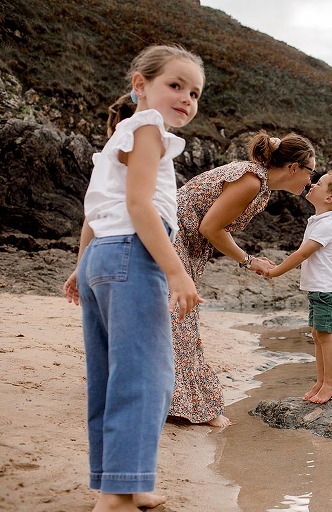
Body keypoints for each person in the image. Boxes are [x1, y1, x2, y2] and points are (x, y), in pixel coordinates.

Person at [63, 45, 205, 512]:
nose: (187, 97)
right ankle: (116, 496)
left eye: (195, 93)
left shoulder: (119, 137)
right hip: (132, 256)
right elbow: (140, 206)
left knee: (111, 375)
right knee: (146, 376)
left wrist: (80, 265)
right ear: (140, 85)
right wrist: (177, 271)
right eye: (176, 85)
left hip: (103, 256)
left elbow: (93, 210)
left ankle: (126, 482)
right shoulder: (148, 129)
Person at [168, 131, 316, 427]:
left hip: (180, 237)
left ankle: (167, 398)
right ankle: (185, 407)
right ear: (293, 168)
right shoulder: (252, 180)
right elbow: (211, 227)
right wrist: (249, 261)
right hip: (171, 235)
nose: (311, 180)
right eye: (311, 171)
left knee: (172, 315)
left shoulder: (259, 183)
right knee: (180, 316)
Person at [253, 170, 332, 404]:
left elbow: (302, 254)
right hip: (321, 292)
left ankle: (331, 381)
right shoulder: (318, 220)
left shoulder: (328, 224)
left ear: (329, 198)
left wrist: (275, 271)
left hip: (330, 292)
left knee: (325, 336)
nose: (312, 183)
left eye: (319, 183)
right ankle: (322, 380)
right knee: (317, 335)